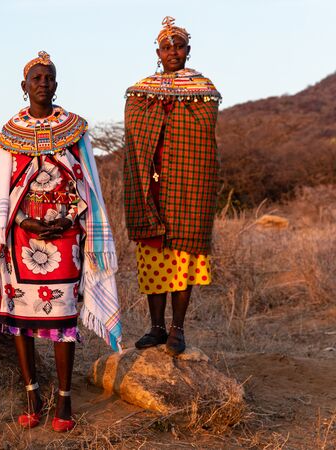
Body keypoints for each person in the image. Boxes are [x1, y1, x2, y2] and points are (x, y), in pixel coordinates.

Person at [0, 51, 122, 433]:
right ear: (24, 87)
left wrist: (69, 217)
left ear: (56, 83)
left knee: (63, 317)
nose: (42, 83)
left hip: (67, 233)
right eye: (36, 78)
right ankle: (33, 393)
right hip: (21, 236)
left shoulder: (75, 129)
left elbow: (87, 181)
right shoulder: (10, 133)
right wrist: (25, 221)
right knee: (21, 320)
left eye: (49, 77)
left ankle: (66, 397)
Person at [123, 17, 221, 356]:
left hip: (188, 183)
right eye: (167, 47)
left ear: (188, 50)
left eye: (178, 46)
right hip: (151, 185)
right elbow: (136, 125)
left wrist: (168, 112)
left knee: (183, 258)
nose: (173, 52)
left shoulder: (203, 89)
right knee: (153, 259)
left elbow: (201, 130)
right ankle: (156, 327)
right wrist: (164, 111)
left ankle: (178, 329)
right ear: (158, 53)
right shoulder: (141, 90)